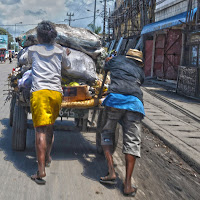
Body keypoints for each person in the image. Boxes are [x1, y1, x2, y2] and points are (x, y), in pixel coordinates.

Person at [19, 21, 71, 184]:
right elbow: (68, 67)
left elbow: (22, 60)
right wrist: (66, 54)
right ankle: (47, 157)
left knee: (40, 131)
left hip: (40, 92)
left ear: (39, 37)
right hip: (56, 93)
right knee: (49, 126)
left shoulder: (33, 50)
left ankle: (40, 171)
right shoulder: (59, 50)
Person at [99, 49, 145, 197]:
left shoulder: (117, 60)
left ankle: (111, 171)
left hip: (114, 101)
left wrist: (108, 62)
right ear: (139, 62)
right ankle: (127, 185)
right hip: (134, 104)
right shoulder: (140, 71)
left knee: (106, 133)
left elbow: (105, 65)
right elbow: (138, 83)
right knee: (132, 142)